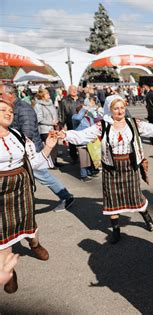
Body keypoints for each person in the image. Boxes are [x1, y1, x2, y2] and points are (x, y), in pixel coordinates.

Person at [59, 96, 153, 244]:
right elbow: (83, 135)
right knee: (112, 199)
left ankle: (146, 217)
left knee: (135, 195)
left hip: (129, 165)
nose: (120, 111)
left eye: (122, 108)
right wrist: (65, 134)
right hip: (111, 167)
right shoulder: (103, 125)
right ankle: (116, 230)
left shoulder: (133, 123)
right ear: (109, 110)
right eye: (116, 108)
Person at [0, 98, 59, 293]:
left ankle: (34, 244)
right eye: (3, 110)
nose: (9, 113)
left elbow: (32, 163)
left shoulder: (17, 135)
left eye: (10, 110)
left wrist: (48, 146)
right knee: (3, 236)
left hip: (21, 187)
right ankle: (8, 269)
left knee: (29, 227)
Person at [0, 83, 75, 212]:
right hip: (23, 151)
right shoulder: (14, 107)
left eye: (1, 94)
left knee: (43, 176)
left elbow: (27, 133)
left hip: (29, 151)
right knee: (37, 177)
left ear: (10, 94)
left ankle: (66, 197)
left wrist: (16, 146)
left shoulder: (23, 108)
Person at [35, 88, 59, 165]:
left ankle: (54, 162)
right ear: (42, 95)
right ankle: (51, 163)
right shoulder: (38, 105)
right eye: (47, 94)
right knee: (50, 146)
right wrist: (51, 123)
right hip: (45, 129)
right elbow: (39, 119)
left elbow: (55, 113)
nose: (49, 95)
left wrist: (56, 121)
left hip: (53, 127)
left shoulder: (50, 103)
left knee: (55, 145)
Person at [59, 85, 83, 162]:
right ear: (69, 91)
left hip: (81, 123)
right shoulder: (64, 100)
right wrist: (61, 124)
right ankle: (74, 157)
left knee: (81, 140)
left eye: (75, 89)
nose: (74, 91)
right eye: (72, 89)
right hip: (71, 122)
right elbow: (62, 113)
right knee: (72, 140)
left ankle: (83, 157)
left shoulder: (81, 99)